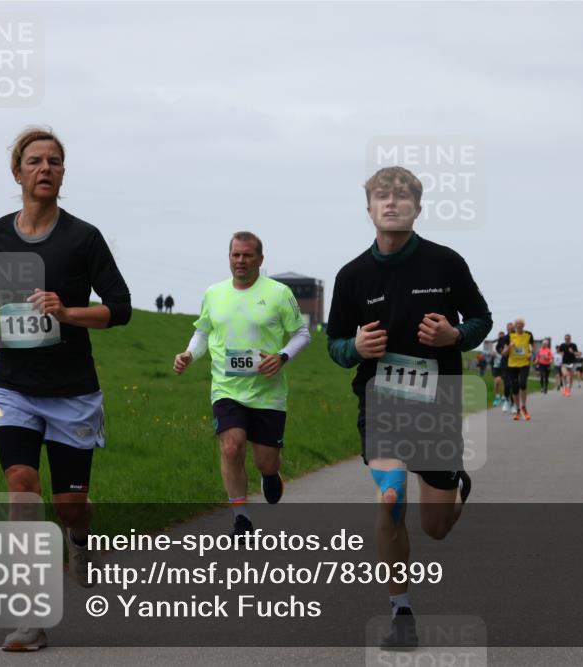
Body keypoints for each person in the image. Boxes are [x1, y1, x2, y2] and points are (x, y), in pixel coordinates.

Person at [0, 127, 132, 652]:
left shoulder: (83, 238)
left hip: (72, 392)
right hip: (12, 386)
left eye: (54, 162)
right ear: (17, 173)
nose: (45, 169)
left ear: (63, 173)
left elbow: (120, 308)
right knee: (21, 487)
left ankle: (80, 538)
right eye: (35, 161)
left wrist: (67, 312)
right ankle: (30, 618)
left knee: (68, 505)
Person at [327, 166, 492, 649]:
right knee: (391, 497)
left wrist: (455, 335)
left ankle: (456, 485)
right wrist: (356, 347)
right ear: (369, 209)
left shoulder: (445, 263)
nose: (392, 202)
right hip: (380, 401)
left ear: (418, 208)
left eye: (402, 196)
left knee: (435, 528)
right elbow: (335, 345)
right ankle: (401, 612)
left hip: (436, 403)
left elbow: (482, 317)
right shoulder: (352, 276)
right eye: (382, 196)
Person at [173, 232, 309, 537]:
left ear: (260, 259)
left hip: (268, 392)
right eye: (235, 255)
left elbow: (303, 333)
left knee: (266, 461)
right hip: (227, 388)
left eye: (247, 255)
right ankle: (241, 516)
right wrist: (188, 355)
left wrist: (282, 356)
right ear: (229, 257)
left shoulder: (278, 293)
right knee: (231, 446)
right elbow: (203, 333)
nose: (241, 261)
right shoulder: (214, 293)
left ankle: (271, 474)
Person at [503, 318, 535, 420]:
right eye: (517, 323)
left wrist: (531, 353)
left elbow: (532, 347)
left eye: (521, 323)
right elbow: (504, 353)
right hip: (512, 365)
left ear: (523, 325)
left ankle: (524, 407)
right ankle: (517, 410)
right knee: (515, 387)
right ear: (514, 326)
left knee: (523, 383)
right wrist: (509, 347)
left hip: (524, 363)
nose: (519, 325)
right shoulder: (509, 336)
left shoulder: (528, 335)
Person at [496, 323, 515, 413]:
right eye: (509, 328)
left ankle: (513, 403)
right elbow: (501, 351)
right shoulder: (502, 339)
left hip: (516, 364)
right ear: (507, 329)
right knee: (507, 384)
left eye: (512, 328)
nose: (511, 330)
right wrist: (507, 348)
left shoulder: (518, 338)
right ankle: (507, 400)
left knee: (514, 384)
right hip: (506, 364)